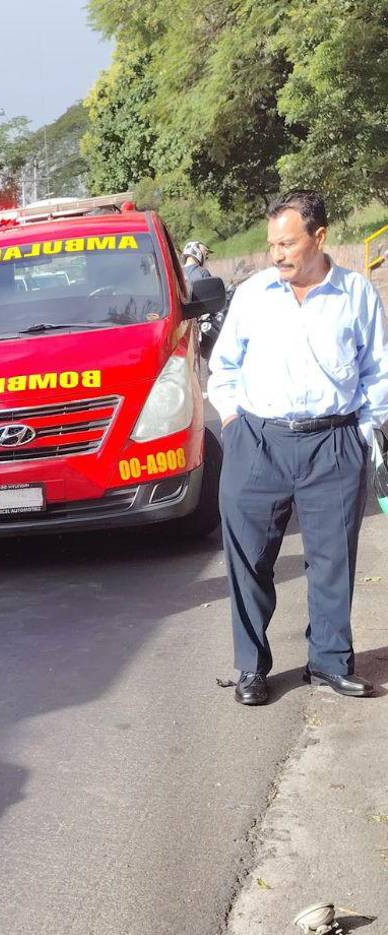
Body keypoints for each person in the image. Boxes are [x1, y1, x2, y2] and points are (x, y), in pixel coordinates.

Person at [208, 189, 388, 705]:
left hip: (333, 443)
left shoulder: (355, 295)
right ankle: (251, 667)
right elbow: (224, 367)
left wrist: (361, 431)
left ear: (320, 237)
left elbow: (378, 370)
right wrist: (235, 423)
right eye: (271, 245)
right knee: (249, 559)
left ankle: (329, 662)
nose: (277, 255)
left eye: (288, 243)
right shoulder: (254, 294)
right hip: (258, 443)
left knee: (333, 560)